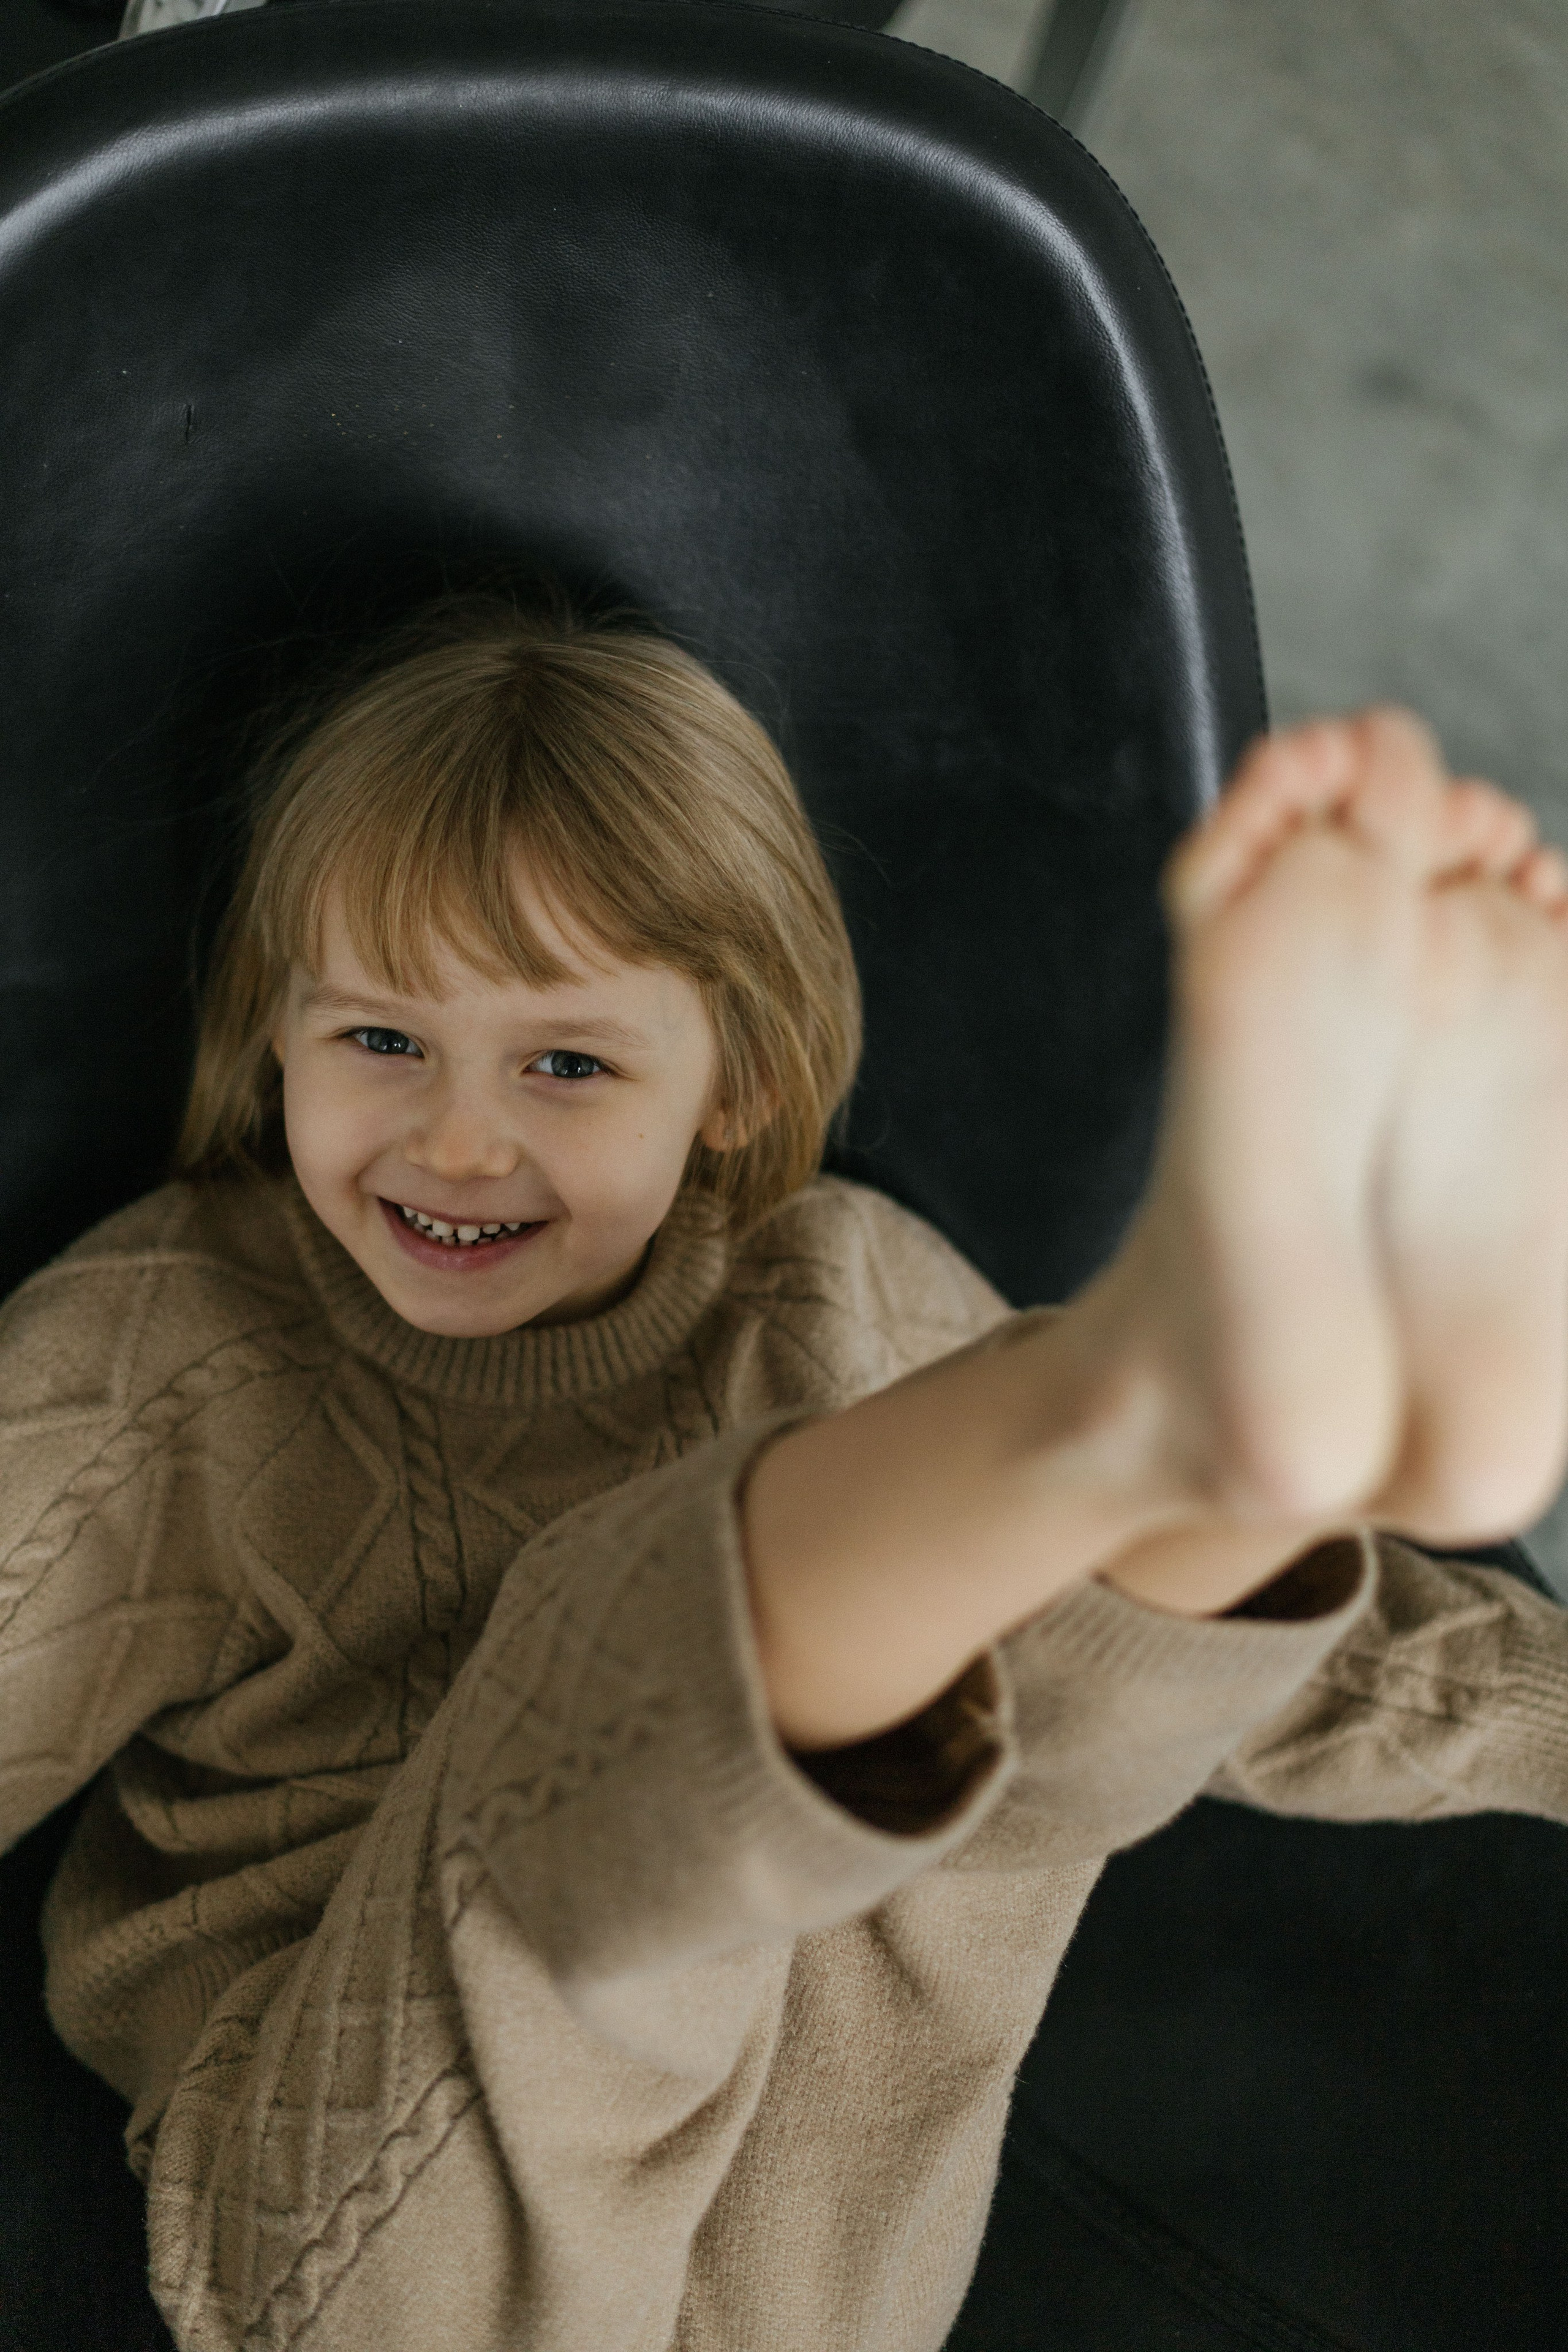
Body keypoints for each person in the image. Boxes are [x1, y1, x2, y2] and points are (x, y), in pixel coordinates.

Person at [4, 593, 1568, 2352]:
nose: (455, 1138)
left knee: (965, 1705)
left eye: (569, 1063)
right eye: (379, 1040)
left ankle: (1183, 1401)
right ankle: (1178, 1395)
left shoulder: (829, 1285)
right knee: (689, 1797)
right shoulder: (183, 1346)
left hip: (677, 2232)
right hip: (564, 2257)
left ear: (735, 1080)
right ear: (274, 1028)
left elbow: (1285, 1668)